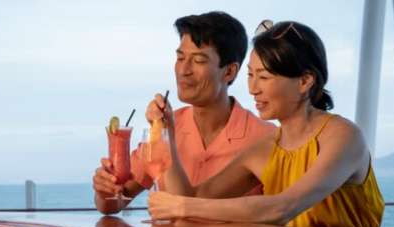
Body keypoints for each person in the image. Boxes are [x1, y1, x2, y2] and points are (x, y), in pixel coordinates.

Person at [148, 20, 384, 227]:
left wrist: (183, 207)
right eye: (250, 75)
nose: (252, 89)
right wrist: (164, 132)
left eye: (263, 77)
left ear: (304, 81)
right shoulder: (265, 149)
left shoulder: (344, 137)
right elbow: (190, 198)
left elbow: (283, 208)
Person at [93, 11, 275, 214]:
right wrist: (104, 190)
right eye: (180, 58)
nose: (183, 70)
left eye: (198, 61)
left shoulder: (265, 138)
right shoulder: (163, 127)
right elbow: (115, 202)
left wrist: (166, 138)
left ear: (229, 71)